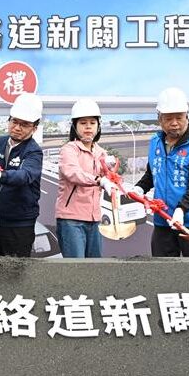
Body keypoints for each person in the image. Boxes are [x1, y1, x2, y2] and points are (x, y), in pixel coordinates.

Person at [131, 87, 189, 257]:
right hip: (163, 220)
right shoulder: (155, 142)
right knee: (163, 267)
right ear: (159, 119)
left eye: (179, 117)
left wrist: (181, 210)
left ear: (187, 116)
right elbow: (152, 173)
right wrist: (139, 188)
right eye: (169, 118)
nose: (174, 123)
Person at [0, 93, 44, 258]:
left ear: (34, 128)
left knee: (15, 271)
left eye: (24, 124)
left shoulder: (34, 151)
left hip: (19, 225)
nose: (17, 128)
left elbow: (25, 175)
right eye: (14, 121)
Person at [55, 99, 117, 258]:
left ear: (98, 126)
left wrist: (111, 175)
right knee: (76, 268)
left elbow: (109, 179)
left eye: (92, 123)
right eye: (83, 123)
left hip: (95, 218)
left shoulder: (101, 153)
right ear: (74, 126)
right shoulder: (69, 149)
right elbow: (72, 173)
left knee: (94, 267)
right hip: (71, 219)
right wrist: (100, 180)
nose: (88, 127)